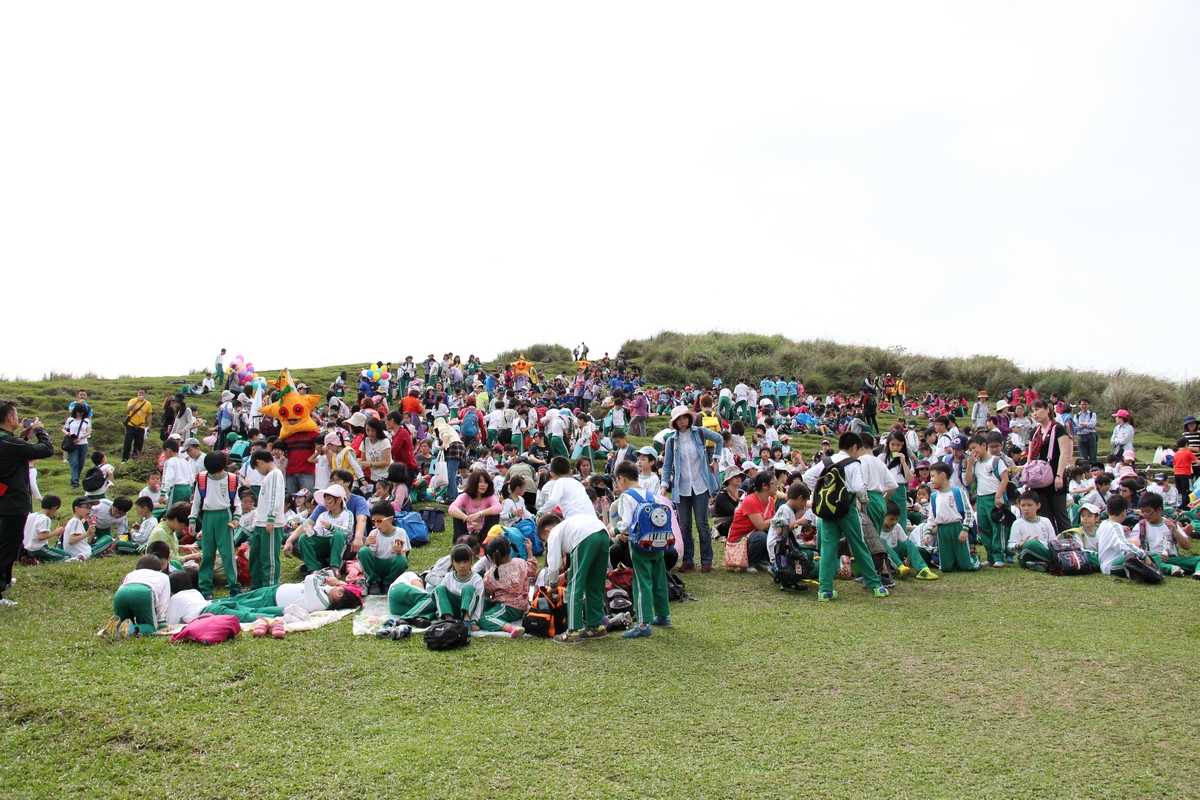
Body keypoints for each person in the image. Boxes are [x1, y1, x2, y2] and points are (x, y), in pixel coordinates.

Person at [801, 432, 888, 601]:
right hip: (846, 508)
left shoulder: (826, 462)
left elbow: (808, 476)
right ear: (854, 447)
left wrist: (820, 492)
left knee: (827, 548)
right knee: (858, 544)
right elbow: (858, 487)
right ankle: (875, 584)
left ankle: (825, 589)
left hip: (827, 509)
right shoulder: (853, 463)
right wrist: (864, 499)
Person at [0, 403, 53, 604]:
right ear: (9, 418)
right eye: (15, 415)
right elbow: (46, 449)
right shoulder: (11, 443)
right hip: (13, 502)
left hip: (3, 498)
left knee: (8, 543)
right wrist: (39, 429)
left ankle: (5, 579)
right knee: (6, 546)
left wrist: (21, 437)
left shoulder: (9, 442)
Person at [661, 405, 724, 573]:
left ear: (690, 418)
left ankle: (706, 560)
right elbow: (667, 466)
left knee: (702, 524)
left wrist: (716, 460)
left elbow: (719, 439)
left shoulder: (700, 432)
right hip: (681, 488)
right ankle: (688, 560)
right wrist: (664, 485)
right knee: (684, 526)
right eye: (678, 419)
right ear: (674, 423)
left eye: (685, 418)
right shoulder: (671, 441)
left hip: (701, 485)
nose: (683, 422)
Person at [611, 461, 671, 638]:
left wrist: (613, 530)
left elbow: (626, 522)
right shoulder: (651, 494)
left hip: (640, 544)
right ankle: (663, 614)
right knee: (659, 578)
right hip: (658, 542)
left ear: (622, 478)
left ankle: (643, 624)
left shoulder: (626, 496)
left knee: (641, 581)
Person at [539, 510, 611, 643]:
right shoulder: (568, 525)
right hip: (602, 533)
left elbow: (553, 564)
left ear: (547, 530)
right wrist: (565, 574)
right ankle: (596, 626)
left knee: (574, 586)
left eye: (545, 540)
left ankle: (573, 630)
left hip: (584, 537)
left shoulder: (554, 533)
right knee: (595, 583)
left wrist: (553, 585)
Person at [189, 452, 242, 600]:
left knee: (227, 554)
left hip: (225, 517)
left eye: (219, 471)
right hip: (208, 517)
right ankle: (205, 588)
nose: (217, 475)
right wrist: (192, 519)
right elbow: (197, 501)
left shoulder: (231, 479)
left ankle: (234, 587)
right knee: (207, 554)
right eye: (213, 472)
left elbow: (236, 503)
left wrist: (236, 519)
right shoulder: (202, 479)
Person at [963, 433, 1010, 568]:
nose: (973, 452)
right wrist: (970, 465)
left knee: (997, 527)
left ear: (984, 445)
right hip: (981, 498)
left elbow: (1005, 479)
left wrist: (998, 496)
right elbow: (968, 481)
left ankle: (999, 556)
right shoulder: (975, 464)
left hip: (995, 497)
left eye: (974, 448)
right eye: (970, 449)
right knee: (984, 527)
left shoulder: (996, 461)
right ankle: (990, 556)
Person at [285, 484, 353, 576]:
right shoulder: (323, 515)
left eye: (329, 499)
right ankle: (313, 568)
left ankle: (335, 567)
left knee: (338, 535)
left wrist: (331, 527)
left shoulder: (347, 514)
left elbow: (347, 531)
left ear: (339, 500)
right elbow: (318, 532)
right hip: (323, 542)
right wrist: (311, 532)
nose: (326, 502)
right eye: (325, 499)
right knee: (304, 538)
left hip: (339, 544)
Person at [1028, 398, 1074, 533]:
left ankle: (1069, 546)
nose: (1035, 414)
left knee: (1061, 516)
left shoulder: (1058, 429)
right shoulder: (1034, 432)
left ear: (1048, 410)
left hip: (1055, 477)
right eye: (1032, 411)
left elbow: (1064, 453)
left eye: (1037, 410)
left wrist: (1059, 475)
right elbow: (1030, 458)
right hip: (1039, 480)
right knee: (1045, 517)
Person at [478, 535, 537, 637]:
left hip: (509, 607)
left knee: (484, 619)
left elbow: (487, 591)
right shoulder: (521, 563)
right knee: (481, 603)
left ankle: (511, 628)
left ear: (492, 557)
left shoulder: (492, 573)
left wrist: (486, 576)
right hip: (522, 605)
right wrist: (529, 551)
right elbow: (532, 568)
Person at [927, 461, 979, 573]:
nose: (931, 479)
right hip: (942, 530)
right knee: (946, 568)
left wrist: (965, 529)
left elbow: (969, 512)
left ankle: (974, 557)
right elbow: (931, 517)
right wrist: (928, 532)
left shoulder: (958, 492)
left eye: (932, 476)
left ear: (942, 475)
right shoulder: (934, 496)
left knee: (966, 566)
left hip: (957, 527)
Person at [247, 449, 285, 589]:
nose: (258, 471)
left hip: (270, 523)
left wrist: (271, 517)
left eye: (257, 468)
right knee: (255, 556)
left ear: (259, 462)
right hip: (261, 522)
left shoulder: (275, 474)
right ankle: (256, 586)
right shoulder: (269, 476)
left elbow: (274, 496)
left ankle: (268, 587)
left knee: (268, 558)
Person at [360, 501, 411, 595]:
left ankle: (389, 582)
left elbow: (403, 558)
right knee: (363, 551)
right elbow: (371, 557)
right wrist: (366, 545)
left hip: (391, 566)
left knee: (401, 560)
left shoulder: (400, 533)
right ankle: (374, 582)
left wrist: (398, 552)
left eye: (379, 521)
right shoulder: (374, 533)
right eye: (374, 521)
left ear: (390, 519)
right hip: (378, 565)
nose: (376, 524)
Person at [728, 471, 776, 573]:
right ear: (764, 486)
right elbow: (761, 526)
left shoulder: (770, 500)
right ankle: (749, 564)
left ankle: (762, 561)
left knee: (772, 534)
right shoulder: (750, 500)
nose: (777, 486)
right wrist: (777, 518)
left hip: (753, 536)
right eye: (774, 483)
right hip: (739, 539)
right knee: (761, 535)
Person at [1007, 492, 1057, 571]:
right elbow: (1010, 547)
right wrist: (1021, 545)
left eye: (1029, 505)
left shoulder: (1045, 521)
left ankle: (1040, 564)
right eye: (1023, 505)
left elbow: (1053, 541)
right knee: (1031, 543)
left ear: (1038, 506)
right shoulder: (1017, 523)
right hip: (1025, 556)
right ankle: (1056, 563)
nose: (1026, 508)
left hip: (1043, 552)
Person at [449, 469, 502, 539]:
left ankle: (486, 544)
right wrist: (468, 519)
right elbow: (452, 508)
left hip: (484, 534)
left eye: (486, 482)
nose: (483, 485)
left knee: (494, 514)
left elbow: (498, 507)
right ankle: (461, 544)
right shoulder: (465, 496)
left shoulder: (489, 497)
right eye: (480, 482)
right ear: (473, 482)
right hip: (466, 534)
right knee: (460, 510)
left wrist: (479, 514)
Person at [22, 494, 67, 562]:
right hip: (39, 549)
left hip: (28, 549)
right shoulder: (45, 519)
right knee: (66, 556)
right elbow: (41, 537)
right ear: (54, 508)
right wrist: (56, 533)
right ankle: (39, 561)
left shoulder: (31, 515)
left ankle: (35, 559)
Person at [62, 403, 92, 489]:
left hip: (83, 443)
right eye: (79, 411)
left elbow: (88, 432)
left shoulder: (87, 421)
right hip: (73, 444)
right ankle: (75, 482)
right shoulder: (70, 419)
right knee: (74, 463)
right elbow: (63, 429)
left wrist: (81, 437)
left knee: (81, 463)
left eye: (82, 412)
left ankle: (75, 478)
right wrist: (68, 433)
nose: (80, 413)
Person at [1073, 399, 1098, 465]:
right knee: (1083, 457)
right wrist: (1087, 425)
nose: (1084, 406)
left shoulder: (1092, 414)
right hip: (1081, 436)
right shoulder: (1076, 415)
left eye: (1086, 404)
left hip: (1091, 435)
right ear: (1079, 405)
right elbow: (1075, 427)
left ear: (1088, 405)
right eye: (1082, 404)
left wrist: (1082, 424)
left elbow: (1092, 425)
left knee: (1093, 455)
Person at [1172, 437, 1196, 507]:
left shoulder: (1176, 454)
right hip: (1186, 474)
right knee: (1187, 492)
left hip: (1177, 474)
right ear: (1186, 444)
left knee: (1182, 492)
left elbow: (1174, 465)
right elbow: (1197, 462)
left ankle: (1182, 505)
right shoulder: (1188, 453)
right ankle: (1185, 507)